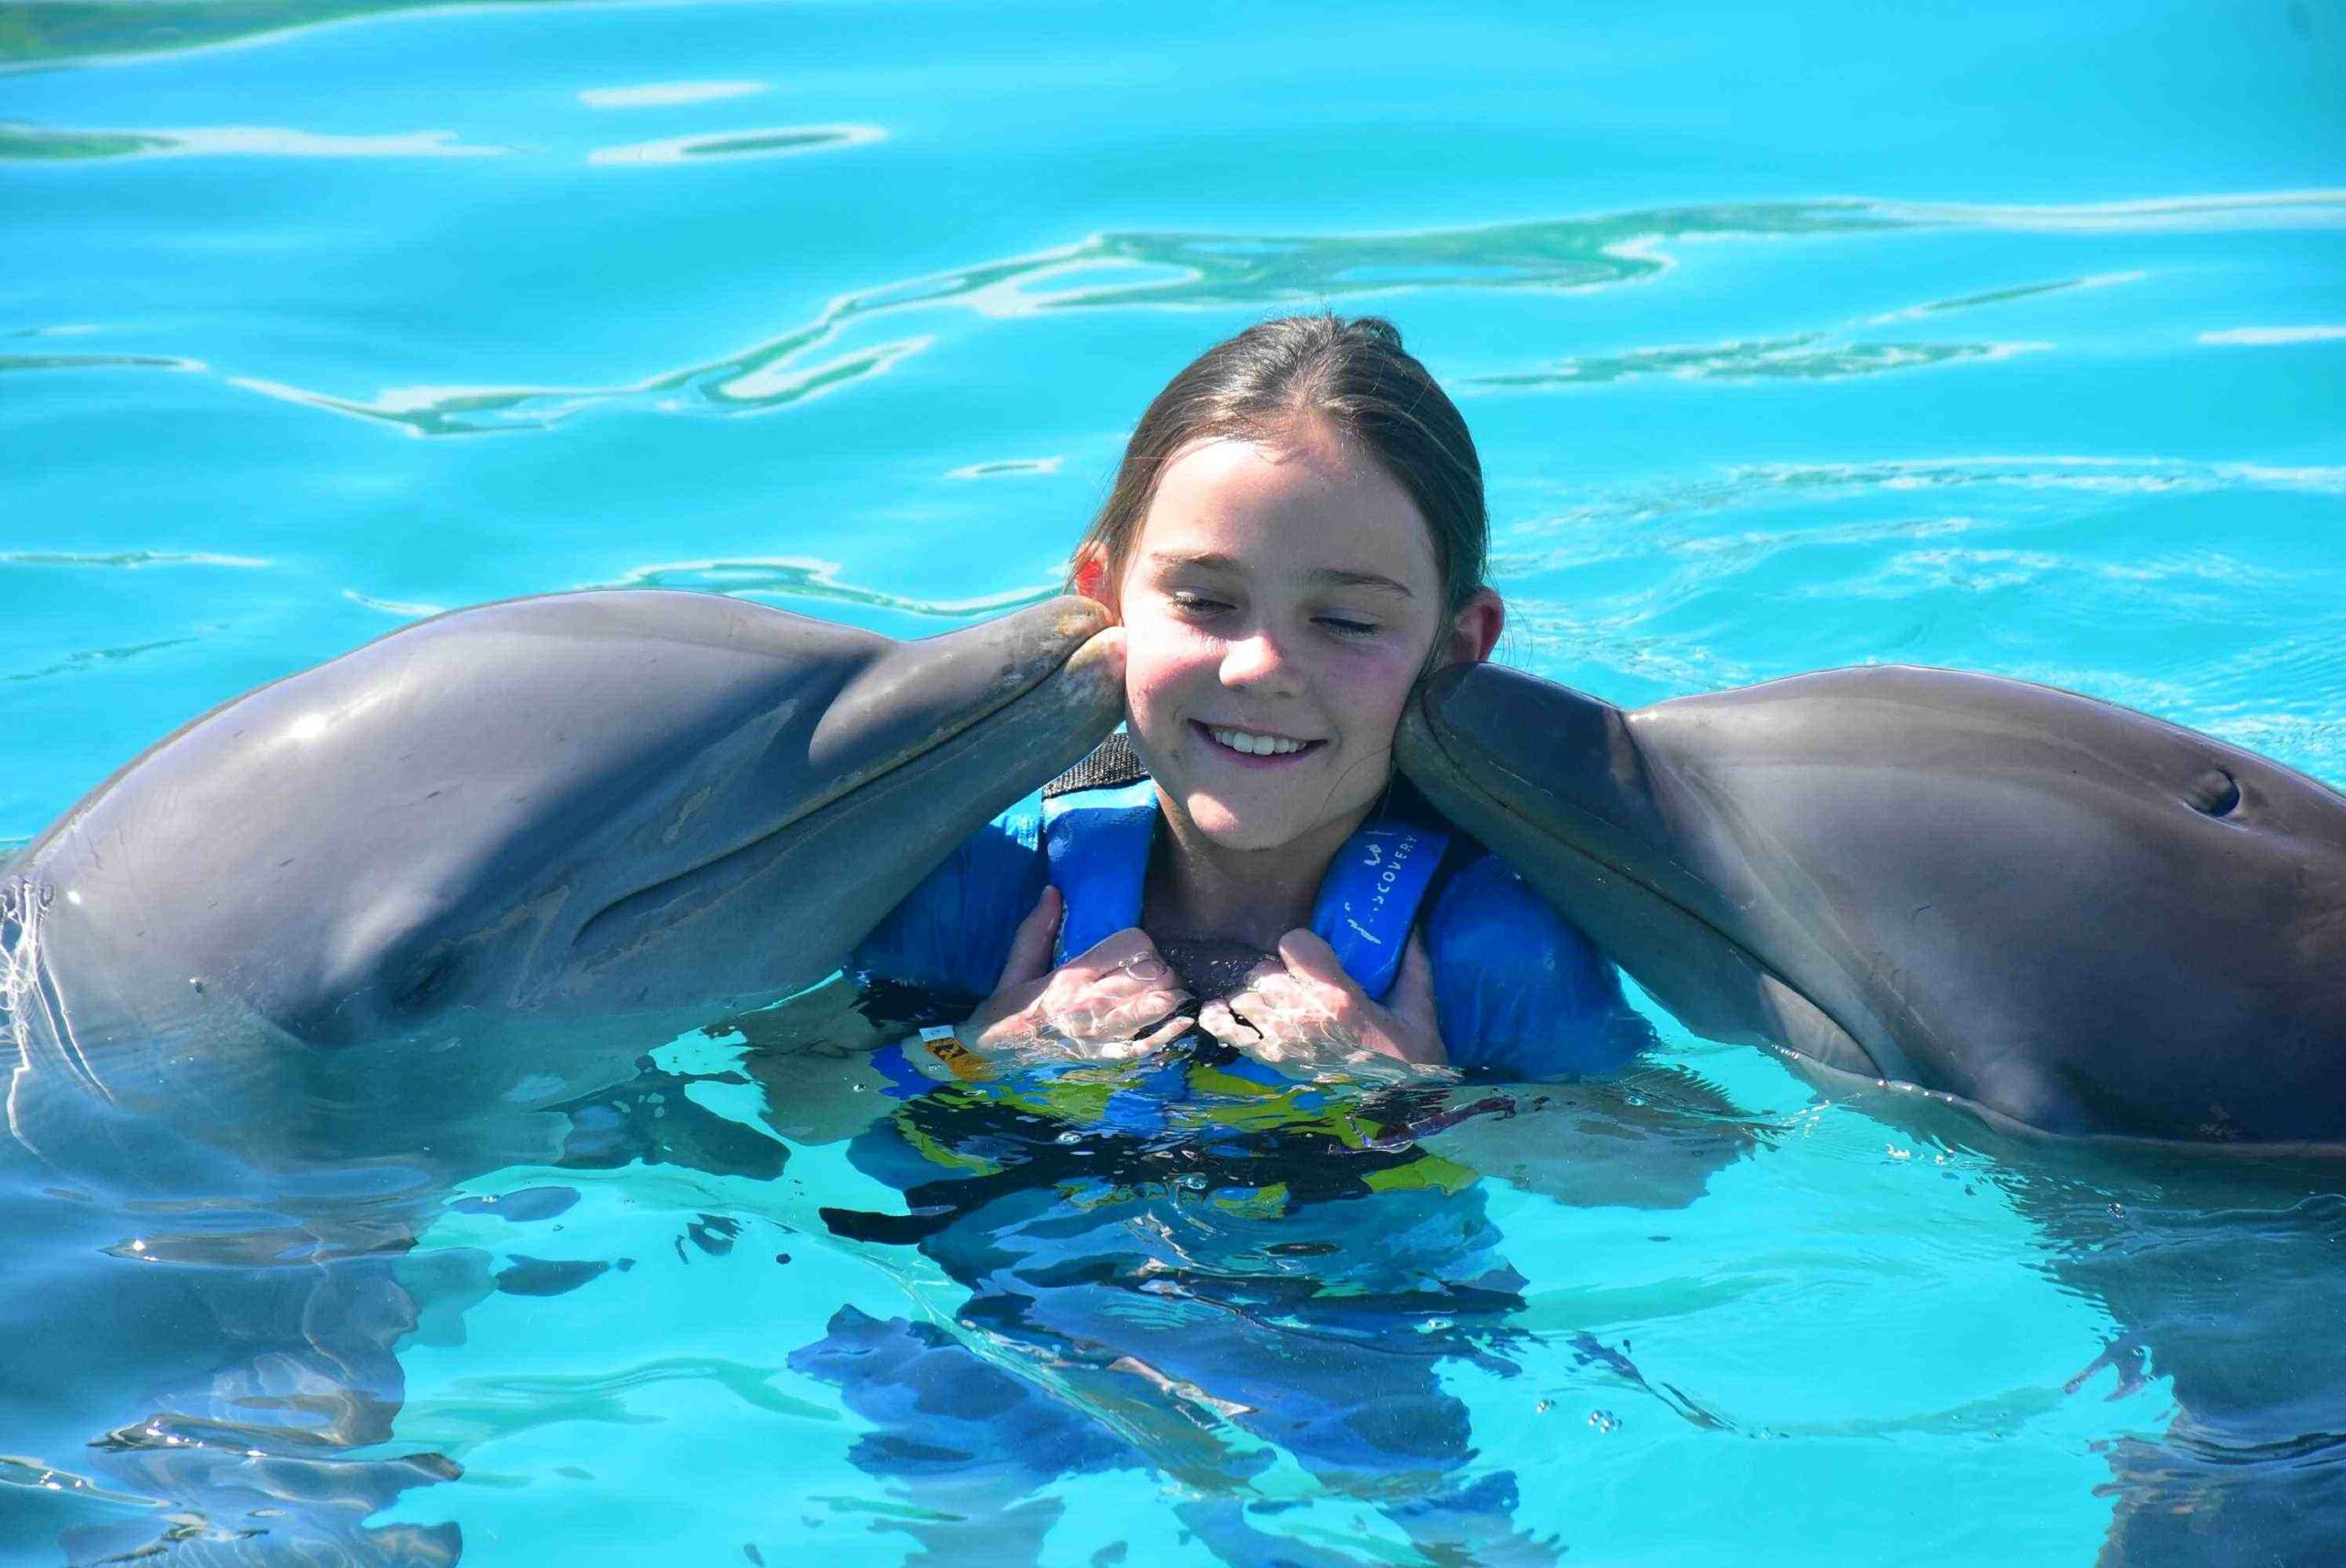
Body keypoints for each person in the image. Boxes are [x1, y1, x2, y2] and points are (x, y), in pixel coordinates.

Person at [853, 313, 1646, 1087]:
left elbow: (1659, 1172)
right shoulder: (990, 887)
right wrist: (978, 1054)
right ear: (1105, 599)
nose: (1260, 669)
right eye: (1204, 602)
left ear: (1458, 648)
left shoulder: (1491, 950)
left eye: (1346, 621)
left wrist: (1409, 1092)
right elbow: (799, 1098)